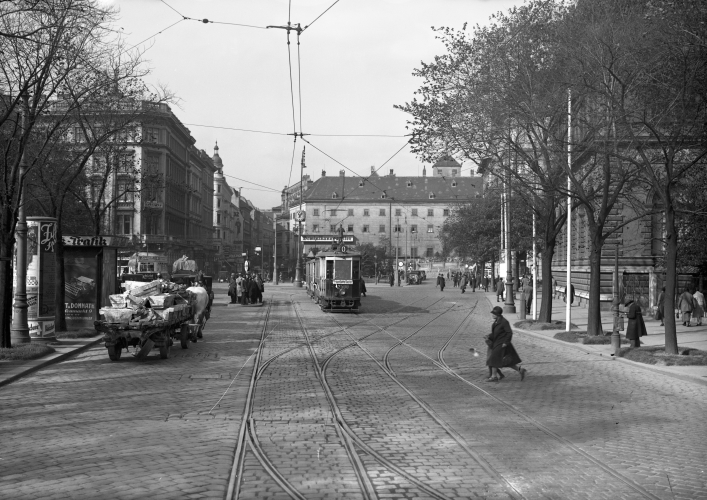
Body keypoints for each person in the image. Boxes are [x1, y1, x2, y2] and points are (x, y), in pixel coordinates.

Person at [485, 306, 526, 382]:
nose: (492, 315)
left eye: (494, 313)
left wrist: (505, 342)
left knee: (493, 358)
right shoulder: (496, 321)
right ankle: (520, 370)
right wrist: (489, 336)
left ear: (498, 314)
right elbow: (496, 333)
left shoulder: (504, 322)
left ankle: (494, 376)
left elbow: (509, 333)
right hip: (497, 343)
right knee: (507, 362)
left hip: (502, 344)